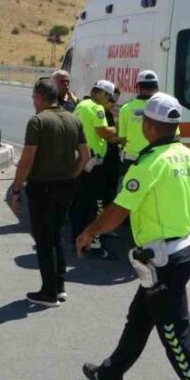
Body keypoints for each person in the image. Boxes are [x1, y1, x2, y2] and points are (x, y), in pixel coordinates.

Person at [76, 92, 190, 380]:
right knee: (140, 317)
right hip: (182, 254)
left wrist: (88, 233)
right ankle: (109, 374)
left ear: (149, 125)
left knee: (176, 336)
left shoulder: (149, 164)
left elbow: (117, 212)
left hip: (164, 260)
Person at [8, 79, 89, 306]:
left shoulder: (37, 122)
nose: (33, 102)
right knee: (56, 237)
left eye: (34, 98)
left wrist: (16, 188)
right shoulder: (74, 119)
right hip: (66, 186)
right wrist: (72, 175)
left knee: (44, 240)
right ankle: (59, 286)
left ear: (41, 97)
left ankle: (48, 292)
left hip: (42, 187)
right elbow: (85, 156)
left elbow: (27, 159)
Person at [70, 80, 123, 258]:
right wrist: (121, 130)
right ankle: (92, 243)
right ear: (100, 94)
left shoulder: (82, 105)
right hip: (92, 162)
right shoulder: (97, 109)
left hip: (80, 157)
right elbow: (104, 133)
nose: (109, 102)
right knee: (92, 203)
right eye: (109, 98)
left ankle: (76, 236)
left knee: (79, 202)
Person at [118, 70, 161, 175]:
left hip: (132, 160)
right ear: (157, 88)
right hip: (156, 160)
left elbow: (122, 138)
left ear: (137, 87)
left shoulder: (126, 108)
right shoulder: (163, 107)